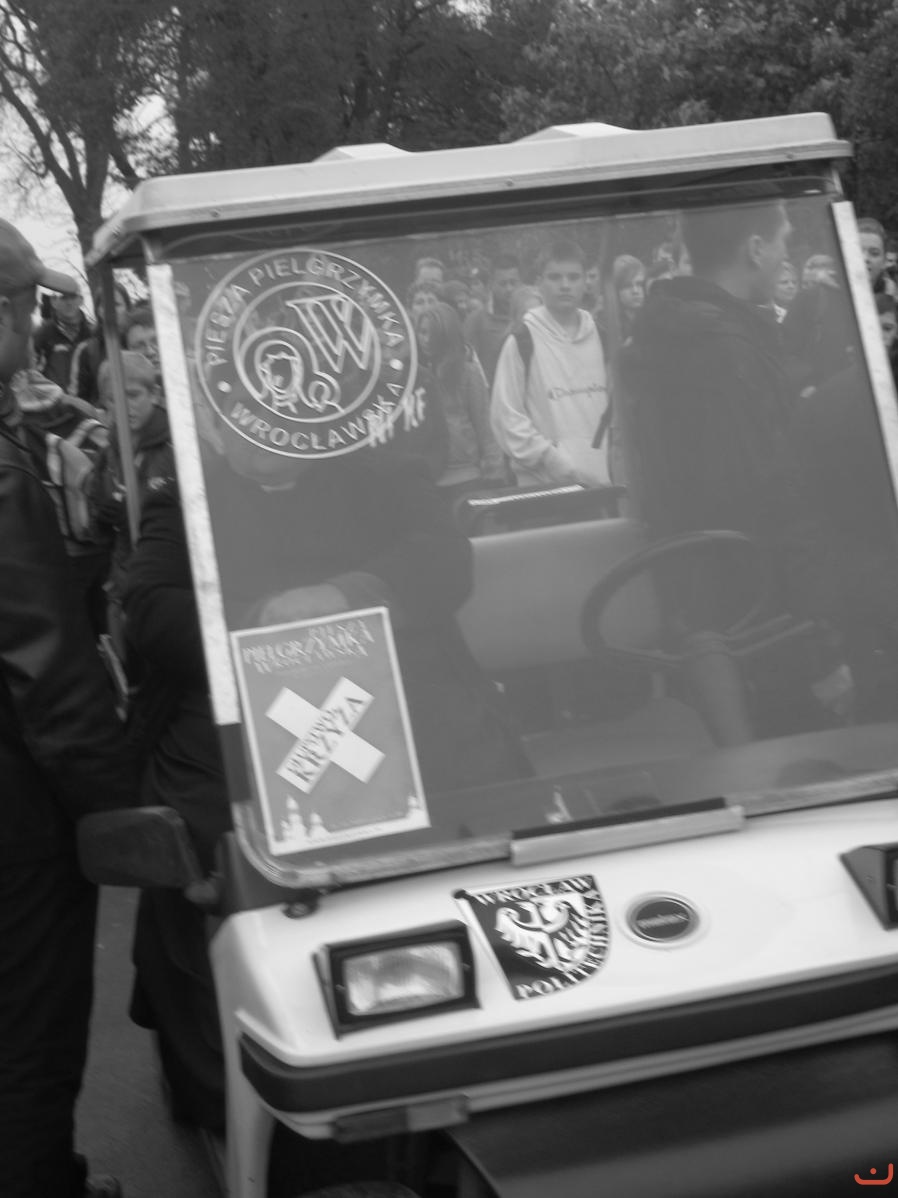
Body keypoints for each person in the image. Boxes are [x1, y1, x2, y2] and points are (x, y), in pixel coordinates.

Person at [122, 425, 528, 1132]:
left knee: (483, 797)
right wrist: (261, 623)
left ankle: (501, 1025)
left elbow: (443, 560)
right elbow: (151, 608)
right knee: (204, 833)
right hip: (236, 707)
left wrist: (347, 593)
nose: (255, 433)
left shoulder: (383, 471)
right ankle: (234, 1083)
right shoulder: (186, 496)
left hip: (401, 687)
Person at [0, 218, 134, 1197]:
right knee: (28, 1025)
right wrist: (119, 807)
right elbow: (44, 665)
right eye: (21, 307)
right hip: (16, 816)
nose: (32, 329)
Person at [490, 237, 611, 488]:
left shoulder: (602, 337)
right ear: (539, 283)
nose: (565, 285)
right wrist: (550, 459)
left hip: (602, 485)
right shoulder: (522, 341)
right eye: (555, 277)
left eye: (573, 277)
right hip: (545, 487)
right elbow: (506, 417)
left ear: (585, 282)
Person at [13, 347, 111, 638]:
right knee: (105, 622)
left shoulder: (15, 427)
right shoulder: (76, 406)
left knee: (73, 629)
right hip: (102, 536)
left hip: (60, 551)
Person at [90, 350, 173, 658]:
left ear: (155, 394)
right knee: (129, 670)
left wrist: (142, 517)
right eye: (113, 400)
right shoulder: (109, 452)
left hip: (167, 587)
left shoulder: (177, 446)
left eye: (133, 395)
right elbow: (95, 526)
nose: (124, 407)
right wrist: (101, 519)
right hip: (122, 584)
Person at [416, 301, 506, 497]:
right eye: (422, 332)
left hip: (465, 475)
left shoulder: (468, 373)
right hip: (429, 476)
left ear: (446, 335)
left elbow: (484, 423)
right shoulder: (417, 375)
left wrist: (495, 470)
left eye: (432, 333)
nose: (426, 339)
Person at [463, 254, 522, 386]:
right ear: (491, 285)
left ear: (521, 283)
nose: (509, 289)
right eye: (503, 284)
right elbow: (469, 370)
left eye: (513, 283)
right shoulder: (476, 321)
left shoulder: (531, 318)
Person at [71, 282, 132, 408]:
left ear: (127, 308)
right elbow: (78, 399)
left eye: (116, 305)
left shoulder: (140, 343)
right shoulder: (86, 350)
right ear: (99, 311)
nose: (111, 311)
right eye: (105, 306)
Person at [33, 280, 93, 391]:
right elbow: (33, 374)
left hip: (87, 400)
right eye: (64, 298)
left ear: (81, 300)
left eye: (73, 297)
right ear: (53, 301)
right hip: (55, 399)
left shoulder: (92, 334)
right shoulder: (42, 334)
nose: (69, 302)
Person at [612, 254, 646, 343]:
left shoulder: (655, 317)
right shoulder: (608, 324)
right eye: (627, 285)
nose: (635, 291)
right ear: (617, 290)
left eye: (639, 284)